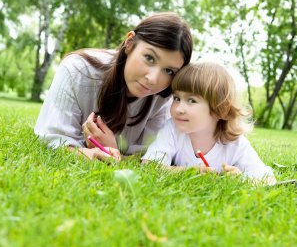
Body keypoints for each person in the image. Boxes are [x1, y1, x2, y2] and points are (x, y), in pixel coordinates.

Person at [34, 12, 193, 161]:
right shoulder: (77, 70)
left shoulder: (163, 98)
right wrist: (94, 153)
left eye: (169, 71)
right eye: (149, 58)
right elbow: (53, 139)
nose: (153, 79)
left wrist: (112, 149)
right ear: (130, 42)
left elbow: (151, 156)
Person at [142, 62, 276, 185]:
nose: (178, 109)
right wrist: (190, 172)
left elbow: (268, 179)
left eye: (191, 101)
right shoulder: (172, 128)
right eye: (177, 98)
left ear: (219, 110)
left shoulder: (235, 143)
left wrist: (241, 178)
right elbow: (149, 165)